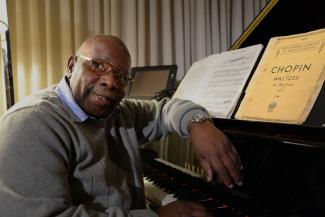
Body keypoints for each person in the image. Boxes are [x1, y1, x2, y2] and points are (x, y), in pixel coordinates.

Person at [0, 35, 242, 217]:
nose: (110, 81)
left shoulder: (116, 112)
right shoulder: (31, 124)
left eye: (121, 75)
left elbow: (163, 110)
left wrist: (197, 123)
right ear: (72, 66)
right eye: (97, 64)